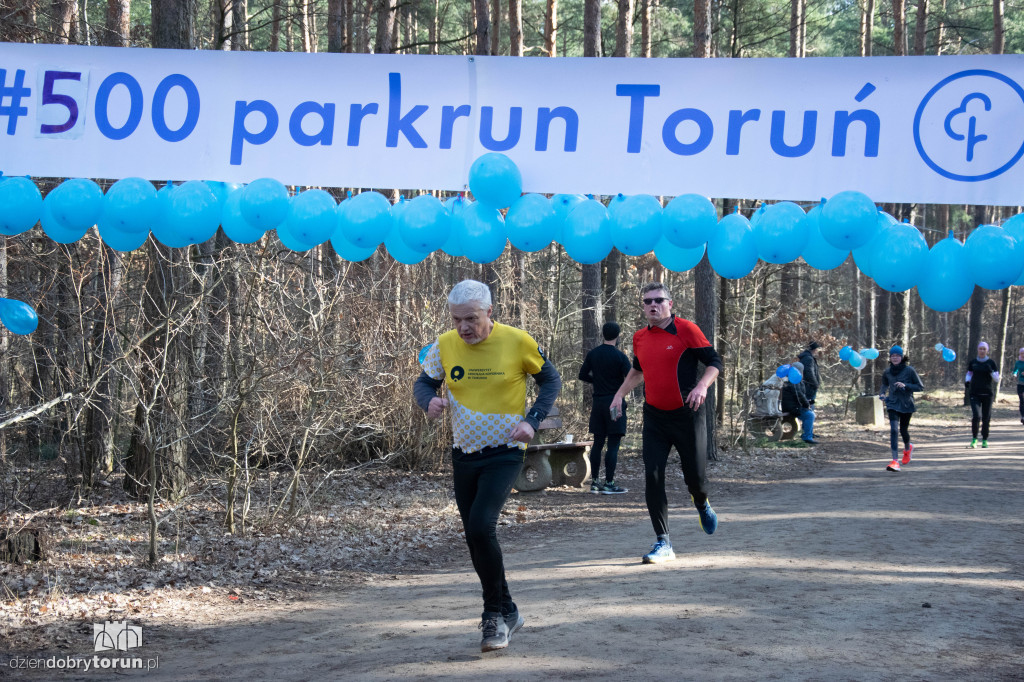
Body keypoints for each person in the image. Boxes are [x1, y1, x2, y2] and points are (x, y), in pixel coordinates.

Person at [413, 279, 562, 652]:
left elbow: (551, 380)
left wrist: (533, 418)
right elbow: (423, 383)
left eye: (471, 318)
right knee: (475, 537)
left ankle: (493, 616)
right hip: (464, 453)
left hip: (506, 450)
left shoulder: (517, 341)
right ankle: (509, 609)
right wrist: (427, 401)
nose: (464, 327)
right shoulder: (444, 346)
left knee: (482, 526)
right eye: (457, 319)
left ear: (489, 312)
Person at [610, 282, 724, 564]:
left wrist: (702, 386)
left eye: (659, 300)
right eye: (647, 301)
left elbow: (714, 361)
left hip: (688, 414)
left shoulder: (686, 329)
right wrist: (618, 396)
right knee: (653, 476)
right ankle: (664, 542)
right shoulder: (639, 337)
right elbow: (638, 370)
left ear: (670, 304)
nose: (653, 305)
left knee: (694, 478)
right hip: (655, 418)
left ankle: (701, 502)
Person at [579, 321, 631, 494]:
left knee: (598, 443)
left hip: (598, 403)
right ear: (618, 336)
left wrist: (598, 381)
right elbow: (631, 377)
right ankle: (609, 483)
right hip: (614, 403)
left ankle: (594, 482)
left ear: (603, 334)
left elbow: (582, 375)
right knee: (613, 444)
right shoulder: (620, 356)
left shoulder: (593, 354)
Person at [877, 346, 924, 472]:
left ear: (902, 357)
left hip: (906, 404)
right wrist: (882, 393)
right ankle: (894, 461)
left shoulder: (909, 370)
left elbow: (920, 387)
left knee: (903, 431)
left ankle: (908, 449)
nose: (895, 358)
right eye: (893, 356)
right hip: (892, 403)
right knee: (893, 430)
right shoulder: (887, 372)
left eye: (897, 355)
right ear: (890, 358)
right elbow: (884, 384)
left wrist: (906, 385)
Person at [965, 341, 999, 448]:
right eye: (980, 349)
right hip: (975, 393)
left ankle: (984, 439)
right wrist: (967, 381)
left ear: (987, 350)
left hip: (987, 394)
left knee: (986, 417)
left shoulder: (991, 363)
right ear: (978, 350)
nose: (982, 351)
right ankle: (974, 439)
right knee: (976, 416)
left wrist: (991, 372)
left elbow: (997, 379)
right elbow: (969, 373)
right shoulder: (973, 362)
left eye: (984, 349)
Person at [780, 361, 816, 445]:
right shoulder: (793, 381)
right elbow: (798, 395)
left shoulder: (794, 379)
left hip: (794, 405)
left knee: (811, 410)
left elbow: (800, 395)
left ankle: (809, 434)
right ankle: (807, 437)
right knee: (809, 415)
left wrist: (808, 402)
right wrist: (806, 404)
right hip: (791, 407)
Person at [1012, 347, 1024, 426]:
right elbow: (1015, 370)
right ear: (1020, 354)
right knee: (1022, 400)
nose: (1023, 355)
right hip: (1020, 384)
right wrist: (1014, 374)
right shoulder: (1018, 362)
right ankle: (1023, 416)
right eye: (1021, 353)